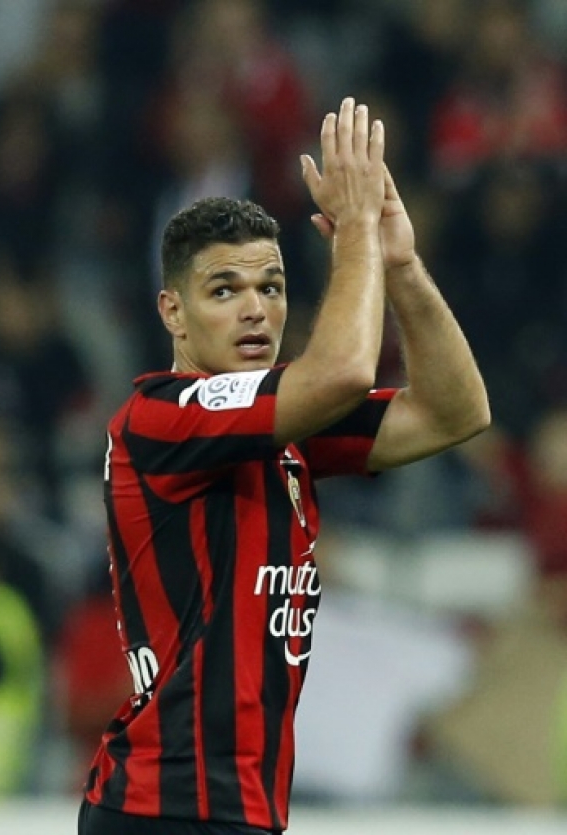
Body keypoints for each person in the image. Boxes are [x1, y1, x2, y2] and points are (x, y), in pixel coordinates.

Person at [78, 97, 490, 834]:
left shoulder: (280, 431)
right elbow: (341, 373)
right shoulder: (161, 418)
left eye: (270, 288)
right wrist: (360, 231)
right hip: (167, 805)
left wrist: (400, 264)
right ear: (173, 312)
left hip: (240, 808)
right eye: (224, 290)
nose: (255, 311)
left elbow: (455, 412)